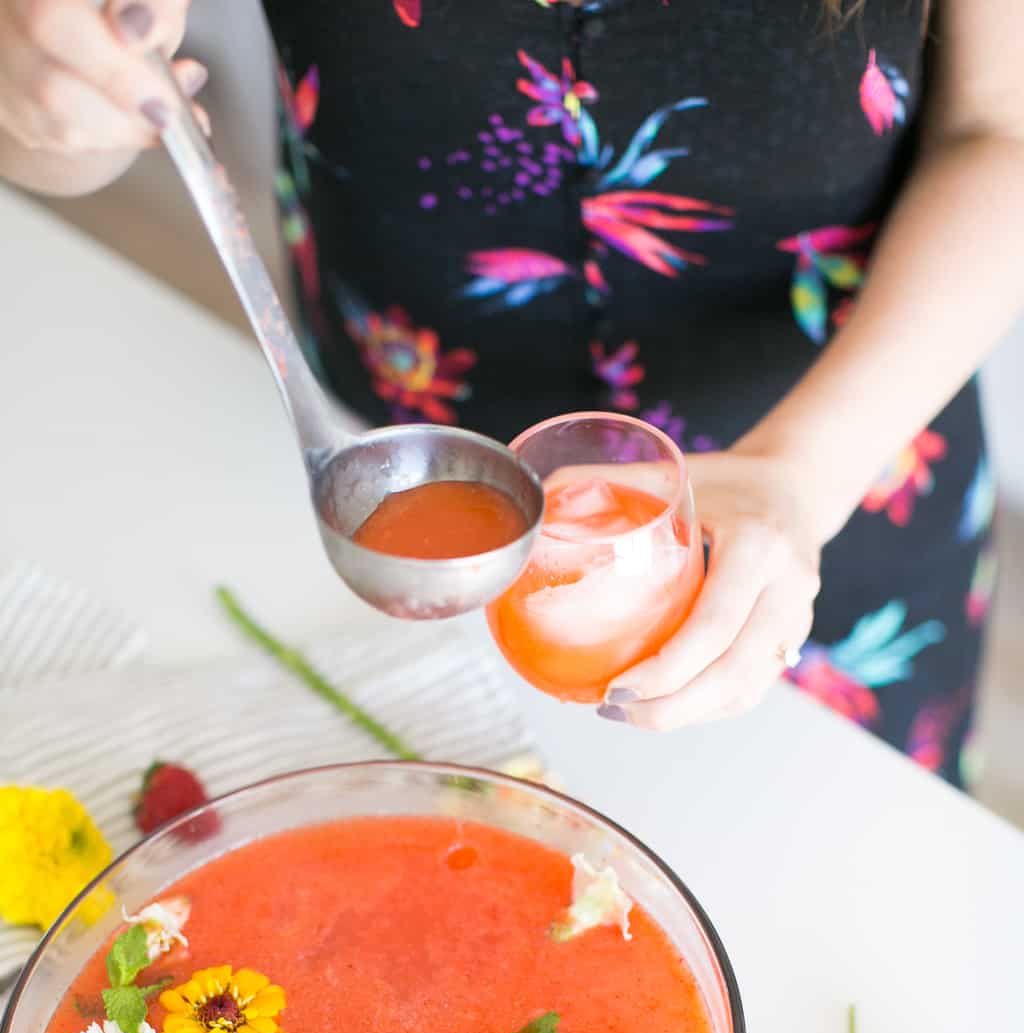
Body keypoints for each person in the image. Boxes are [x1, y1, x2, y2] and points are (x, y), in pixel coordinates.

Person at [1, 1, 1021, 785]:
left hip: (831, 477)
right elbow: (65, 128)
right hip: (397, 462)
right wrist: (52, 91)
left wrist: (803, 475)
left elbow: (1003, 130)